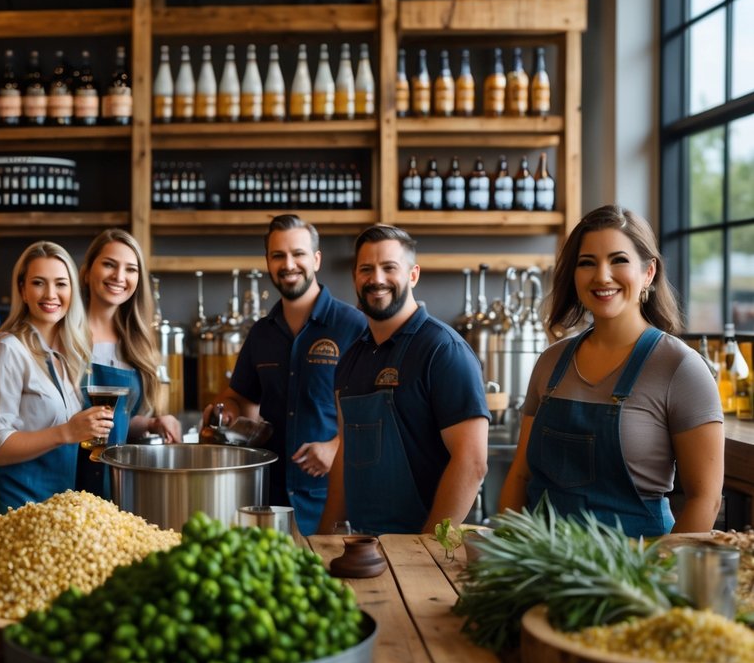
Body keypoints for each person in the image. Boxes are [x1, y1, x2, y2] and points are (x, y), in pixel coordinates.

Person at [498, 205, 723, 536]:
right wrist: (503, 555)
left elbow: (705, 500)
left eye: (618, 260)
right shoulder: (551, 362)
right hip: (539, 568)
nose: (602, 276)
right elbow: (520, 476)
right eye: (587, 263)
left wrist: (652, 579)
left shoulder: (680, 369)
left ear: (649, 272)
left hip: (634, 574)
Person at [319, 224, 489, 536]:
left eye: (389, 268)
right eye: (366, 269)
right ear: (355, 277)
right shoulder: (350, 359)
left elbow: (473, 462)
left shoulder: (443, 350)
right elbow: (345, 453)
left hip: (421, 550)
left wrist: (425, 547)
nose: (377, 279)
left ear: (413, 275)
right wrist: (325, 538)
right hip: (361, 546)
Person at [203, 215, 367, 535]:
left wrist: (336, 446)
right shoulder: (261, 334)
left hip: (334, 500)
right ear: (268, 262)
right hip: (270, 501)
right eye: (278, 255)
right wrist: (224, 413)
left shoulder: (354, 326)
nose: (288, 264)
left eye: (298, 254)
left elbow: (381, 413)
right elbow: (240, 396)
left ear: (316, 260)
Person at [0, 241, 113, 514]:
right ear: (23, 290)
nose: (51, 294)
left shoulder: (69, 355)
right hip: (16, 514)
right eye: (39, 283)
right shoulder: (7, 351)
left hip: (57, 514)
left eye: (61, 284)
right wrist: (65, 433)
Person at [76, 230, 181, 494]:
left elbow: (119, 421)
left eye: (130, 269)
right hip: (68, 480)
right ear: (87, 272)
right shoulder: (64, 336)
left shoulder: (136, 343)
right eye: (109, 264)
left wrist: (152, 423)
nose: (119, 277)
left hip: (118, 483)